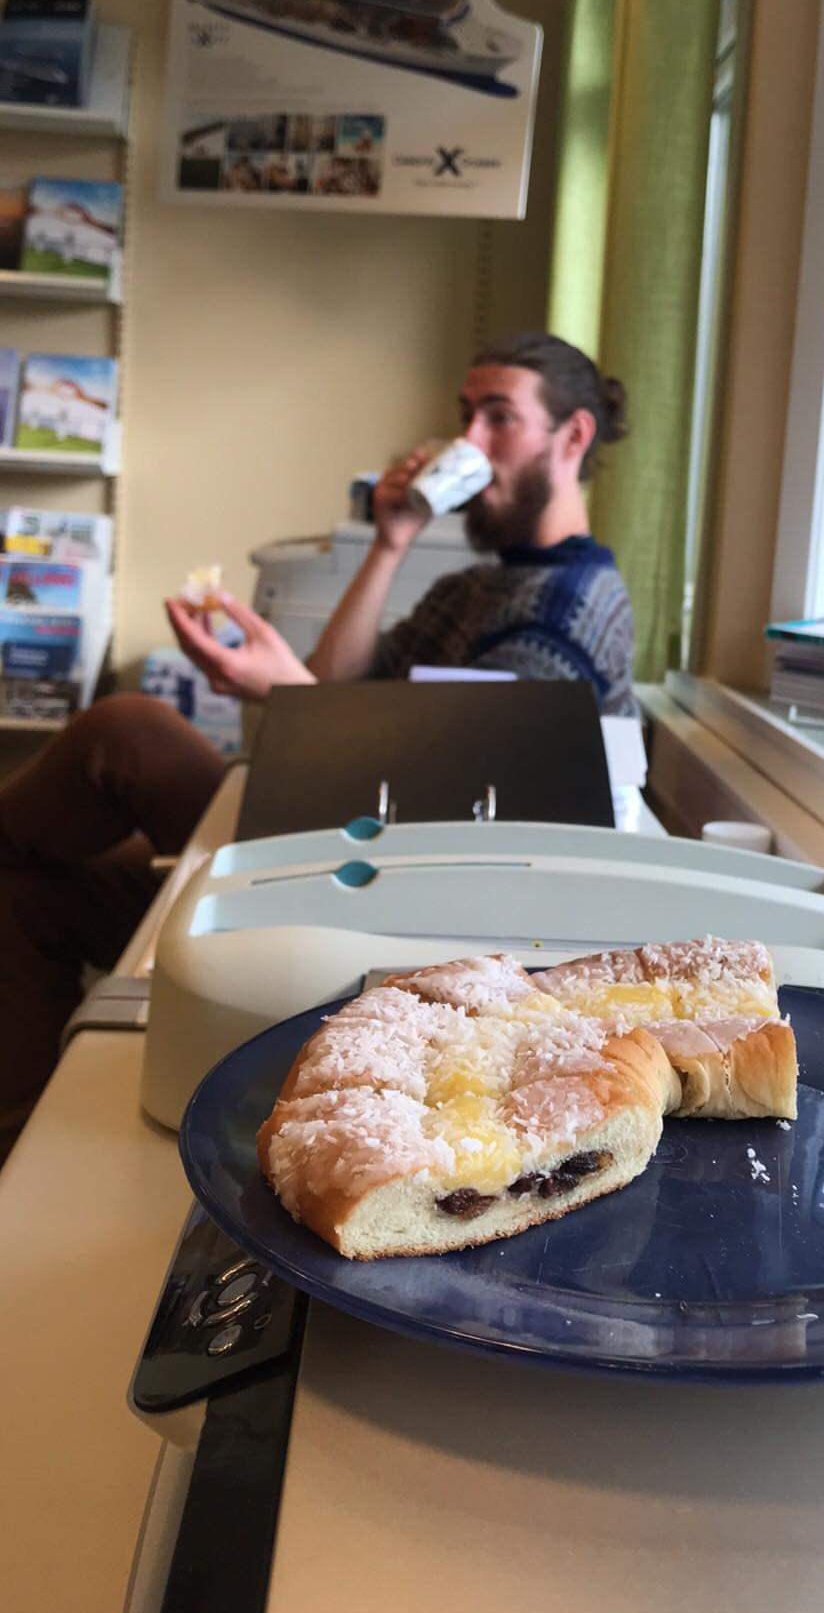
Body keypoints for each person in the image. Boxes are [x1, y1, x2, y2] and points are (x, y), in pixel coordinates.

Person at [0, 333, 633, 1159]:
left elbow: (463, 779)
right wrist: (390, 540)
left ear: (572, 436)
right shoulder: (474, 586)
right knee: (25, 896)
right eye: (464, 416)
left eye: (498, 418)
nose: (468, 442)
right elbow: (339, 685)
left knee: (130, 731)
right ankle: (18, 1144)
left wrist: (283, 693)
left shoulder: (578, 602)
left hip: (400, 886)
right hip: (351, 838)